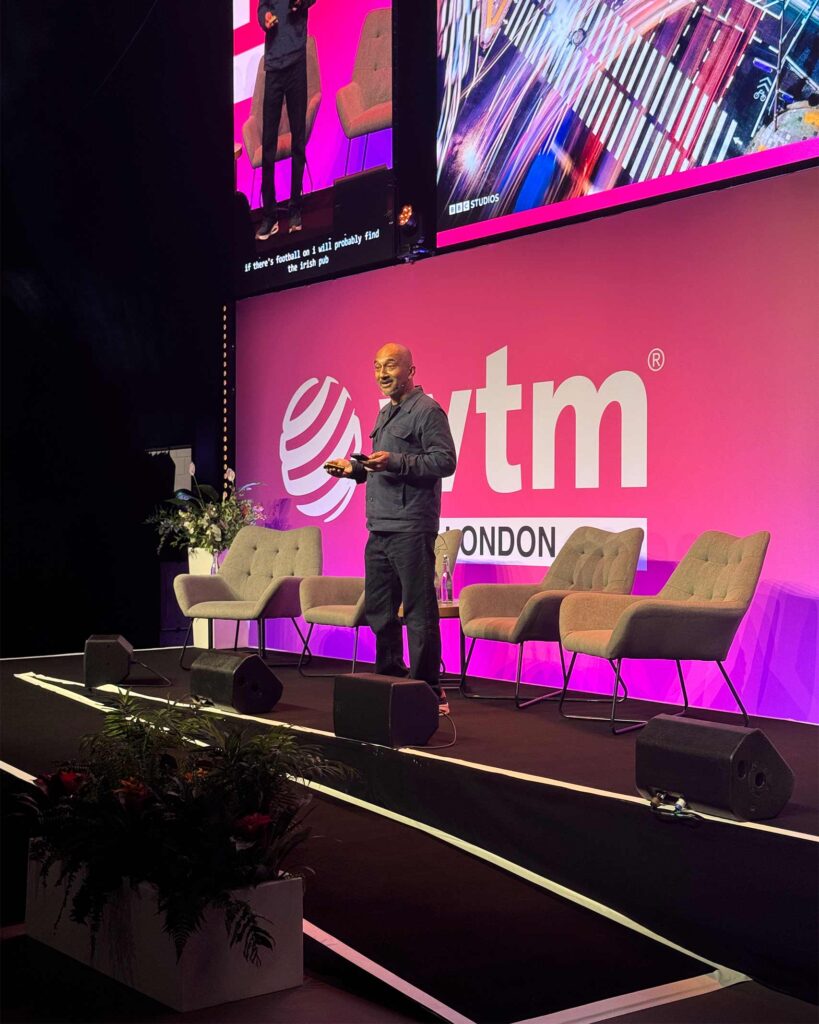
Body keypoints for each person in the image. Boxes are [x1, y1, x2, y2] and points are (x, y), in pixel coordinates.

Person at [325, 345, 457, 714]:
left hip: (412, 527)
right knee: (380, 612)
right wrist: (354, 469)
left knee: (418, 611)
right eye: (377, 367)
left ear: (411, 369)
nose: (382, 373)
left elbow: (445, 461)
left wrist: (397, 460)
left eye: (391, 366)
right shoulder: (386, 414)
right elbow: (378, 466)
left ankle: (428, 691)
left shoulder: (427, 411)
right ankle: (391, 681)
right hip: (379, 527)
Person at [255, 0, 315, 241]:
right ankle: (269, 215)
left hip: (296, 63)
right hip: (273, 67)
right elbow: (262, 8)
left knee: (297, 141)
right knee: (268, 144)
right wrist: (265, 17)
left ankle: (295, 208)